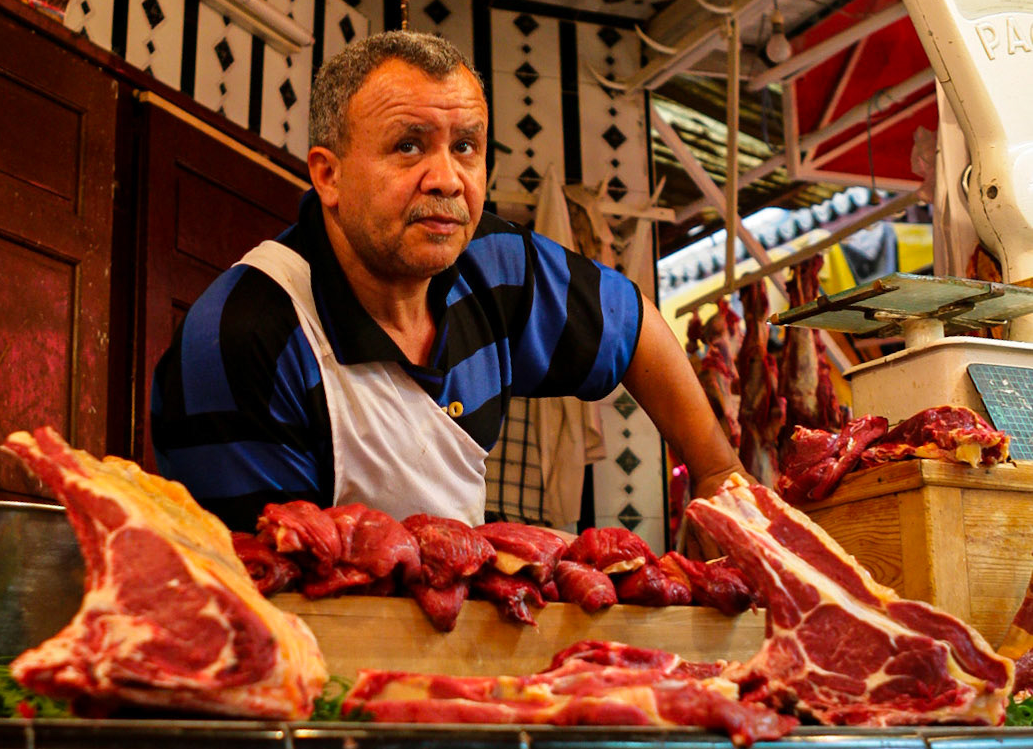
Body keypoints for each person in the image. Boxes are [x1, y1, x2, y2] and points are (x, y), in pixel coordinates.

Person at [151, 31, 744, 531]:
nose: (448, 179)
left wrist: (719, 475)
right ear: (328, 176)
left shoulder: (495, 264)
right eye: (409, 146)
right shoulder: (244, 334)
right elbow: (256, 582)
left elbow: (633, 325)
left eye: (466, 147)